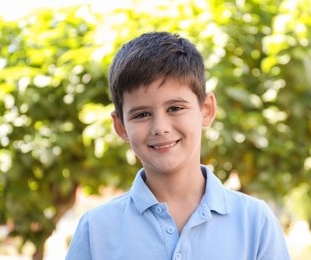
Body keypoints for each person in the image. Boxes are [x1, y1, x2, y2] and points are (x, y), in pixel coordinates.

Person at [66, 32, 291, 260]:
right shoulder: (95, 230)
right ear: (121, 126)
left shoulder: (255, 222)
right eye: (142, 114)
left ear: (206, 109)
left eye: (175, 108)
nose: (160, 128)